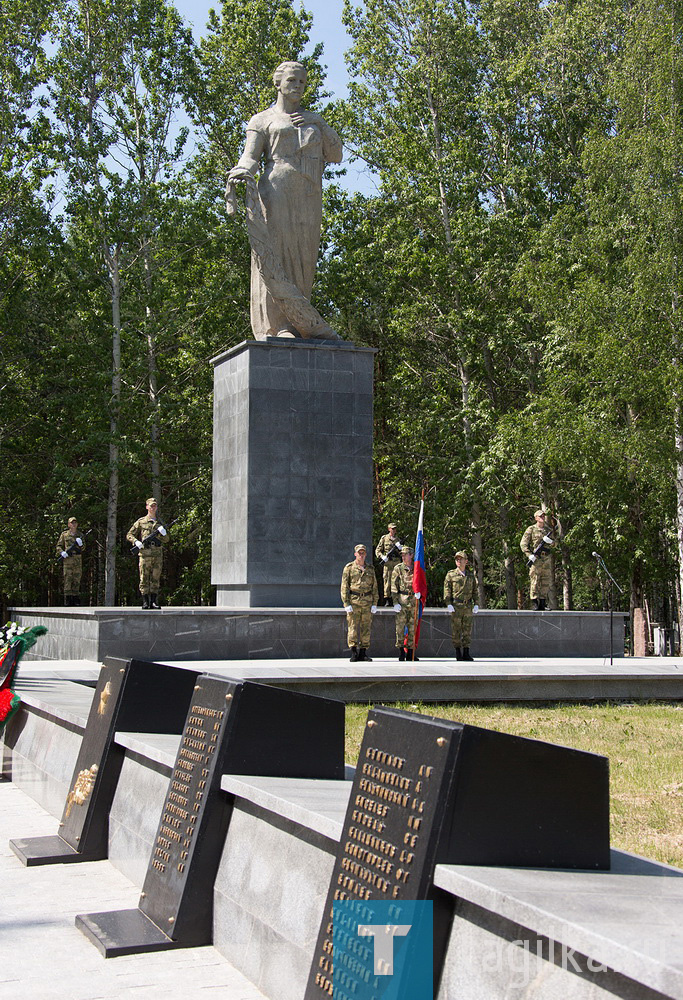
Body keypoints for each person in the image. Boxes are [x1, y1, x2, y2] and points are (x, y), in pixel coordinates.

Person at [227, 61, 343, 340]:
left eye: (302, 82)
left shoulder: (313, 119)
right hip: (276, 191)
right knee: (276, 255)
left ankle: (300, 321)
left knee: (304, 259)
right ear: (278, 83)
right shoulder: (262, 120)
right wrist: (242, 171)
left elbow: (336, 154)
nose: (297, 87)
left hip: (308, 195)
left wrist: (320, 123)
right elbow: (251, 157)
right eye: (292, 81)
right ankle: (278, 326)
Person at [127, 497, 169, 609]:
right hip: (145, 555)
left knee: (155, 578)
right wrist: (136, 542)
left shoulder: (160, 523)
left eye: (155, 505)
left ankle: (153, 602)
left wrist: (163, 534)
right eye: (151, 506)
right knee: (144, 578)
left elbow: (166, 540)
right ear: (147, 507)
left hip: (157, 555)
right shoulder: (141, 522)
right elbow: (129, 535)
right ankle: (145, 601)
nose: (153, 507)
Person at [340, 544, 378, 662]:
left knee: (366, 627)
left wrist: (375, 603)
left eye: (363, 553)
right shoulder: (349, 568)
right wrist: (346, 603)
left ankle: (363, 652)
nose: (361, 555)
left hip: (367, 601)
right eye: (359, 553)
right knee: (353, 627)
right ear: (355, 554)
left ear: (365, 554)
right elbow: (344, 586)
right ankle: (353, 652)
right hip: (354, 601)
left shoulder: (370, 569)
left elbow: (375, 587)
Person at [444, 550, 476, 661]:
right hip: (456, 605)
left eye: (460, 559)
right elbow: (447, 589)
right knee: (456, 630)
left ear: (466, 561)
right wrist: (448, 603)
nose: (458, 561)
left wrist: (476, 604)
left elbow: (475, 591)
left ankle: (466, 652)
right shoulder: (451, 574)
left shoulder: (470, 575)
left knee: (467, 630)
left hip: (467, 606)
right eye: (457, 559)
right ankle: (458, 652)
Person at [520, 509, 554, 610]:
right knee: (535, 580)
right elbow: (523, 543)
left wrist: (551, 542)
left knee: (545, 581)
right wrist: (529, 555)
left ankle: (543, 604)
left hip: (546, 559)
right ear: (536, 518)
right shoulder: (531, 529)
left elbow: (556, 544)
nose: (542, 517)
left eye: (543, 516)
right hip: (536, 559)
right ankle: (534, 602)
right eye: (540, 516)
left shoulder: (548, 530)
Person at [390, 547, 419, 662]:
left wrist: (419, 594)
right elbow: (394, 586)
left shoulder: (417, 568)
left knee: (412, 627)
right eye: (402, 555)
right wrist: (395, 602)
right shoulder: (398, 568)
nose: (403, 556)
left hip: (413, 601)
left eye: (405, 554)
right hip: (402, 600)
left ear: (411, 555)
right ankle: (401, 651)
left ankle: (411, 652)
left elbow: (421, 583)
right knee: (400, 627)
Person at [55, 516, 85, 606]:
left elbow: (83, 548)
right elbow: (58, 546)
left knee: (77, 579)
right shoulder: (64, 535)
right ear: (69, 524)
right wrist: (62, 552)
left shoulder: (80, 535)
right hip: (68, 560)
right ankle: (67, 600)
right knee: (68, 579)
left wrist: (81, 544)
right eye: (72, 523)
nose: (74, 524)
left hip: (77, 560)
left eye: (75, 522)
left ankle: (75, 599)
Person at [375, 523, 403, 606]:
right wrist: (382, 556)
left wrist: (400, 549)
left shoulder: (398, 540)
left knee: (397, 580)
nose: (394, 530)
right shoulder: (384, 538)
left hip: (396, 562)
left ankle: (396, 599)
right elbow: (378, 550)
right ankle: (387, 599)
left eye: (395, 529)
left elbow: (402, 553)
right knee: (387, 580)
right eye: (392, 529)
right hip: (388, 563)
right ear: (389, 529)